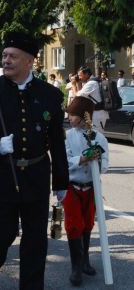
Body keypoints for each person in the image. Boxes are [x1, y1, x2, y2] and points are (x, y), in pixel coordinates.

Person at [0, 31, 69, 290]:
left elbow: (57, 141)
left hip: (36, 176)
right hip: (0, 177)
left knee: (35, 243)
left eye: (13, 56)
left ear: (29, 61)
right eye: (4, 56)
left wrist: (61, 181)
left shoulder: (51, 96)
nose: (6, 60)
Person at [59, 97, 109, 286]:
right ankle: (76, 267)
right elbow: (63, 161)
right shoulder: (68, 136)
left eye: (72, 115)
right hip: (72, 186)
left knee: (87, 224)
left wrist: (98, 159)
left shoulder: (99, 137)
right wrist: (82, 159)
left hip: (91, 186)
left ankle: (85, 261)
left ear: (83, 117)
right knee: (74, 225)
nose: (69, 118)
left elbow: (105, 165)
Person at [73, 66, 109, 133]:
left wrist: (73, 85)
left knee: (96, 138)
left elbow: (77, 97)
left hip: (97, 115)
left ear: (86, 74)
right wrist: (78, 83)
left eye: (80, 75)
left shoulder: (91, 83)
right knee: (93, 137)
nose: (79, 77)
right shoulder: (94, 81)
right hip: (98, 114)